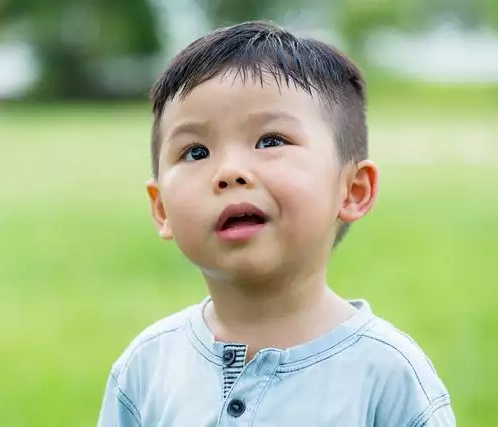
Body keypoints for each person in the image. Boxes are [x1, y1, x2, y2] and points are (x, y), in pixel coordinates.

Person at [97, 21, 456, 427]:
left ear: (353, 190)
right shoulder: (147, 369)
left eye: (270, 141)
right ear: (161, 208)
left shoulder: (387, 377)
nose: (229, 171)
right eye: (195, 151)